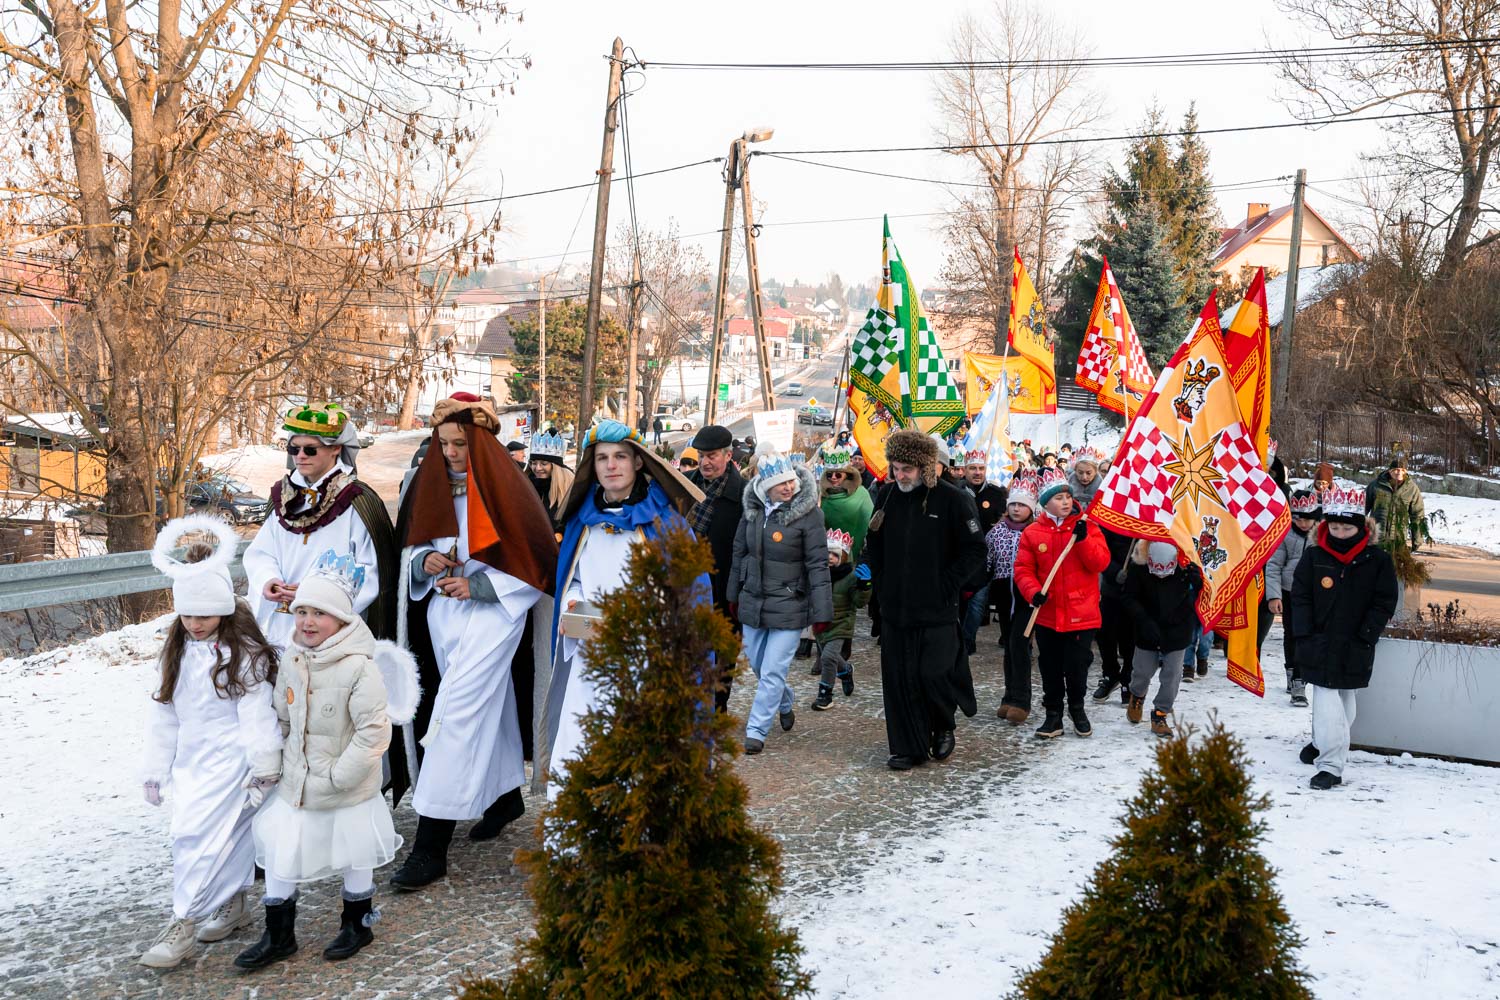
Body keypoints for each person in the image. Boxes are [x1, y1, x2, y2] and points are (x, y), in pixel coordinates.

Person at [388, 394, 558, 890]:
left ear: (480, 443)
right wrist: (424, 564)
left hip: (494, 615)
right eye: (443, 444)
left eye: (459, 444)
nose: (450, 453)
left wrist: (480, 585)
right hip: (445, 615)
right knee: (490, 702)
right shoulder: (429, 483)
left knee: (456, 712)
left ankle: (431, 844)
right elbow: (413, 547)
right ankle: (505, 794)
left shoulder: (510, 487)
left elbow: (536, 563)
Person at [242, 551, 416, 969]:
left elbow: (374, 732)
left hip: (346, 785)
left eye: (318, 613)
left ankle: (357, 921)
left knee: (354, 851)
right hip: (298, 782)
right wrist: (273, 759)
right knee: (284, 850)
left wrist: (340, 776)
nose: (307, 622)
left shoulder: (360, 668)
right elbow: (283, 717)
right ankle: (278, 931)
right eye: (301, 612)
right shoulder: (294, 660)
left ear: (340, 619)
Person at [138, 518, 281, 969]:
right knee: (194, 833)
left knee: (205, 838)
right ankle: (235, 901)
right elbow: (166, 716)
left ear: (223, 609)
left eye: (204, 615)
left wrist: (265, 765)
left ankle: (183, 921)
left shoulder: (245, 656)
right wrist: (156, 768)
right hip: (193, 763)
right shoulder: (177, 653)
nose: (195, 624)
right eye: (187, 615)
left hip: (234, 759)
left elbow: (256, 714)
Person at [540, 420, 705, 797]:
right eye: (601, 458)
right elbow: (574, 580)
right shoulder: (584, 524)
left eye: (620, 457)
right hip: (591, 655)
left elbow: (686, 597)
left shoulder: (667, 525)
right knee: (582, 746)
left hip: (645, 661)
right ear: (592, 466)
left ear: (638, 464)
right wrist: (571, 609)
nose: (611, 466)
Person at [864, 429, 986, 770]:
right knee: (899, 680)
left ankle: (943, 724)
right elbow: (873, 541)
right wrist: (881, 582)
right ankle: (907, 746)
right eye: (896, 468)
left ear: (925, 467)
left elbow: (976, 550)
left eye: (907, 469)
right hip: (895, 609)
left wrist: (946, 583)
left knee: (933, 674)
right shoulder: (886, 496)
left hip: (937, 609)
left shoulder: (952, 499)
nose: (900, 475)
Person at [243, 403, 395, 652]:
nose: (300, 456)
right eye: (294, 447)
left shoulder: (357, 501)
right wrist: (268, 580)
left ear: (336, 448)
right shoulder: (283, 496)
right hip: (279, 625)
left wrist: (317, 597)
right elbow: (261, 552)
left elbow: (371, 572)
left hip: (331, 630)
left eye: (310, 449)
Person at [1291, 482, 1399, 790]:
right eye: (1334, 527)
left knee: (1344, 699)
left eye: (1345, 529)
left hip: (1355, 642)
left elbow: (1384, 600)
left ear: (1360, 527)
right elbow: (1300, 595)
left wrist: (1367, 634)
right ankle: (1331, 765)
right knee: (1326, 700)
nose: (1339, 533)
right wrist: (1304, 631)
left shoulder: (1377, 560)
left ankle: (1323, 742)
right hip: (1319, 640)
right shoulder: (1313, 556)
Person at [728, 450, 832, 753]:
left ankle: (756, 730)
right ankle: (784, 701)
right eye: (780, 483)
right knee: (761, 668)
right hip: (754, 601)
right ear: (765, 486)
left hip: (790, 603)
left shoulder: (810, 514)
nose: (788, 487)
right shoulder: (752, 511)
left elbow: (818, 564)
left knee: (772, 670)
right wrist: (734, 594)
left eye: (790, 481)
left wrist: (821, 610)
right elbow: (739, 553)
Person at [1014, 467, 1111, 739]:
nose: (1066, 501)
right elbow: (1023, 569)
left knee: (1077, 666)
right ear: (1045, 504)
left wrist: (1081, 541)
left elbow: (1100, 562)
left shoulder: (1088, 527)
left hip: (1082, 614)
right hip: (1048, 615)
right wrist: (1033, 592)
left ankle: (1077, 709)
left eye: (1068, 496)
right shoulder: (1033, 533)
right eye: (1058, 498)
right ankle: (1053, 715)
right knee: (1050, 666)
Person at [686, 425, 748, 710]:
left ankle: (717, 707)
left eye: (711, 455)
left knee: (723, 655)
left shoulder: (745, 496)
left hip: (724, 589)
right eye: (701, 455)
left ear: (728, 455)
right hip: (685, 586)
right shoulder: (684, 485)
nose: (705, 462)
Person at [1122, 541, 1202, 738]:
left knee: (1172, 674)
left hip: (1177, 629)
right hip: (1147, 626)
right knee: (1142, 670)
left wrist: (1197, 585)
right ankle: (1137, 695)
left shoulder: (1187, 570)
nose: (1161, 573)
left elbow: (1198, 598)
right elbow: (1129, 598)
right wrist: (1143, 620)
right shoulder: (1138, 569)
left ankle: (1160, 713)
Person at [815, 441, 874, 663]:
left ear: (847, 474)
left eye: (838, 474)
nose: (833, 478)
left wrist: (863, 556)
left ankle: (841, 649)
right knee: (822, 601)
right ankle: (822, 650)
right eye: (829, 474)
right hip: (824, 558)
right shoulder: (820, 496)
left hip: (851, 557)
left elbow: (868, 525)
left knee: (844, 604)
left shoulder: (861, 496)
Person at [986, 471, 1038, 725]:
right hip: (1003, 593)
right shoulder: (997, 532)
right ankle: (1008, 696)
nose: (1017, 509)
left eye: (1022, 505)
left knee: (1020, 644)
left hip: (1027, 594)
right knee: (1010, 644)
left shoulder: (1036, 533)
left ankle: (1021, 700)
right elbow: (986, 561)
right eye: (1014, 504)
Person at [1266, 489, 1320, 706]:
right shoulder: (1285, 535)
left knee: (1306, 635)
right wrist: (1274, 595)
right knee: (1292, 634)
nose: (1303, 524)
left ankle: (1300, 679)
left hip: (1315, 594)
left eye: (1307, 519)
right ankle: (1292, 673)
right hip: (1290, 592)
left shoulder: (1322, 535)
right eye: (1298, 519)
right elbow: (1274, 565)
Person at [958, 448, 1008, 655]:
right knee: (960, 601)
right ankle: (957, 637)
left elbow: (1003, 521)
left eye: (981, 468)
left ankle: (967, 640)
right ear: (965, 470)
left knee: (978, 602)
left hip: (986, 558)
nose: (977, 472)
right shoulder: (956, 491)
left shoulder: (996, 494)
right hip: (961, 555)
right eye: (973, 468)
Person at [812, 529, 869, 709]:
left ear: (843, 557)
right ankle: (845, 671)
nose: (830, 557)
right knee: (834, 657)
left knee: (828, 657)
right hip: (821, 624)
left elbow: (859, 602)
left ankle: (825, 694)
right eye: (827, 553)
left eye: (835, 555)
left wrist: (864, 586)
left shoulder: (850, 577)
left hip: (841, 623)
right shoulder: (818, 574)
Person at [1092, 525, 1137, 703]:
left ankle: (1128, 678)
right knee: (1105, 635)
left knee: (1130, 639)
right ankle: (1110, 674)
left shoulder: (1149, 517)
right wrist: (1113, 571)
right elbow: (1100, 551)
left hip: (1136, 592)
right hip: (1112, 588)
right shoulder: (1111, 519)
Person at [1365, 455, 1427, 556]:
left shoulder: (1412, 489)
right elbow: (1363, 509)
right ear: (1389, 471)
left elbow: (1417, 515)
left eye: (1402, 470)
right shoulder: (1376, 485)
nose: (1399, 472)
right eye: (1395, 470)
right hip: (1376, 537)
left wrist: (1417, 540)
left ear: (1405, 471)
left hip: (1398, 539)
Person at [526, 428, 576, 526]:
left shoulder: (569, 487)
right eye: (533, 463)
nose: (537, 468)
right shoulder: (526, 484)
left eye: (544, 463)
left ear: (555, 466)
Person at [1067, 445, 1104, 513]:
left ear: (1096, 471)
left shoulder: (1104, 493)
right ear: (1075, 471)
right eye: (1080, 473)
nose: (1084, 477)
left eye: (1089, 473)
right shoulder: (1065, 492)